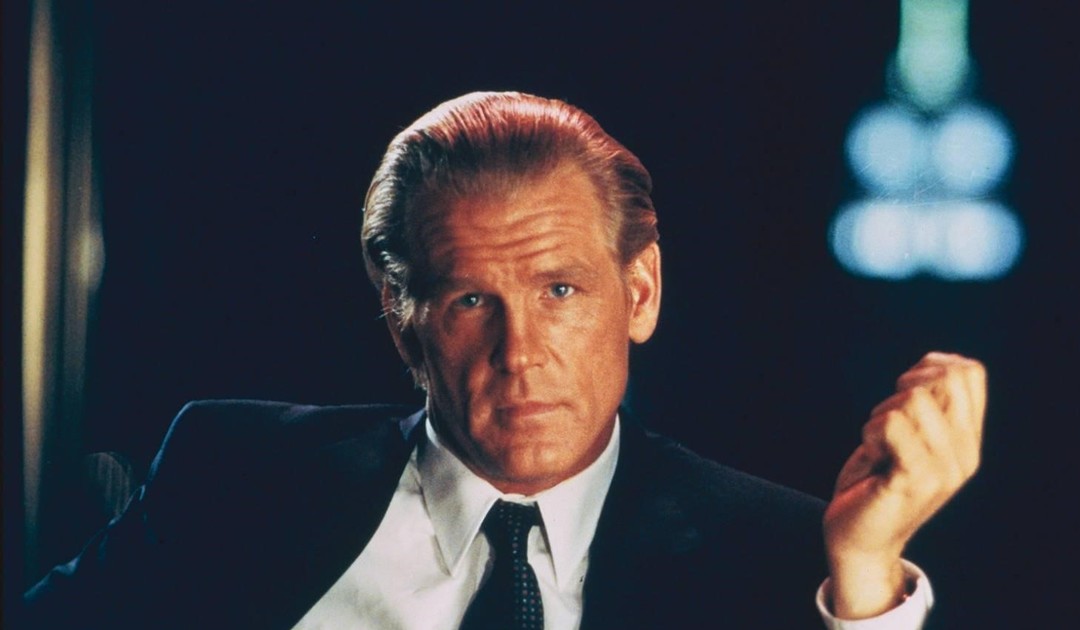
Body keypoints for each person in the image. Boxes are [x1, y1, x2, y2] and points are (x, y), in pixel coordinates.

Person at [23, 92, 986, 629]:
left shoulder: (785, 559)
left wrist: (864, 576)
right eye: (470, 300)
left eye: (560, 291)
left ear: (639, 293)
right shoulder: (235, 480)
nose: (519, 353)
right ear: (403, 323)